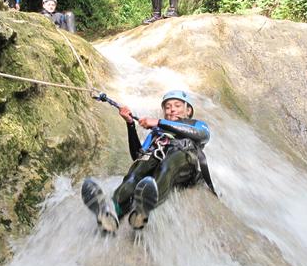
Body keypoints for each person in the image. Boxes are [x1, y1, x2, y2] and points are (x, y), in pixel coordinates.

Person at [81, 90, 214, 232]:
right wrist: (130, 124)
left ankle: (144, 206)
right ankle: (112, 210)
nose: (172, 109)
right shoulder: (157, 132)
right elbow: (138, 155)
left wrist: (159, 122)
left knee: (169, 163)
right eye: (167, 107)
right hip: (157, 157)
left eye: (177, 105)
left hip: (184, 160)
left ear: (188, 110)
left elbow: (202, 135)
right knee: (137, 171)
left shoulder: (197, 124)